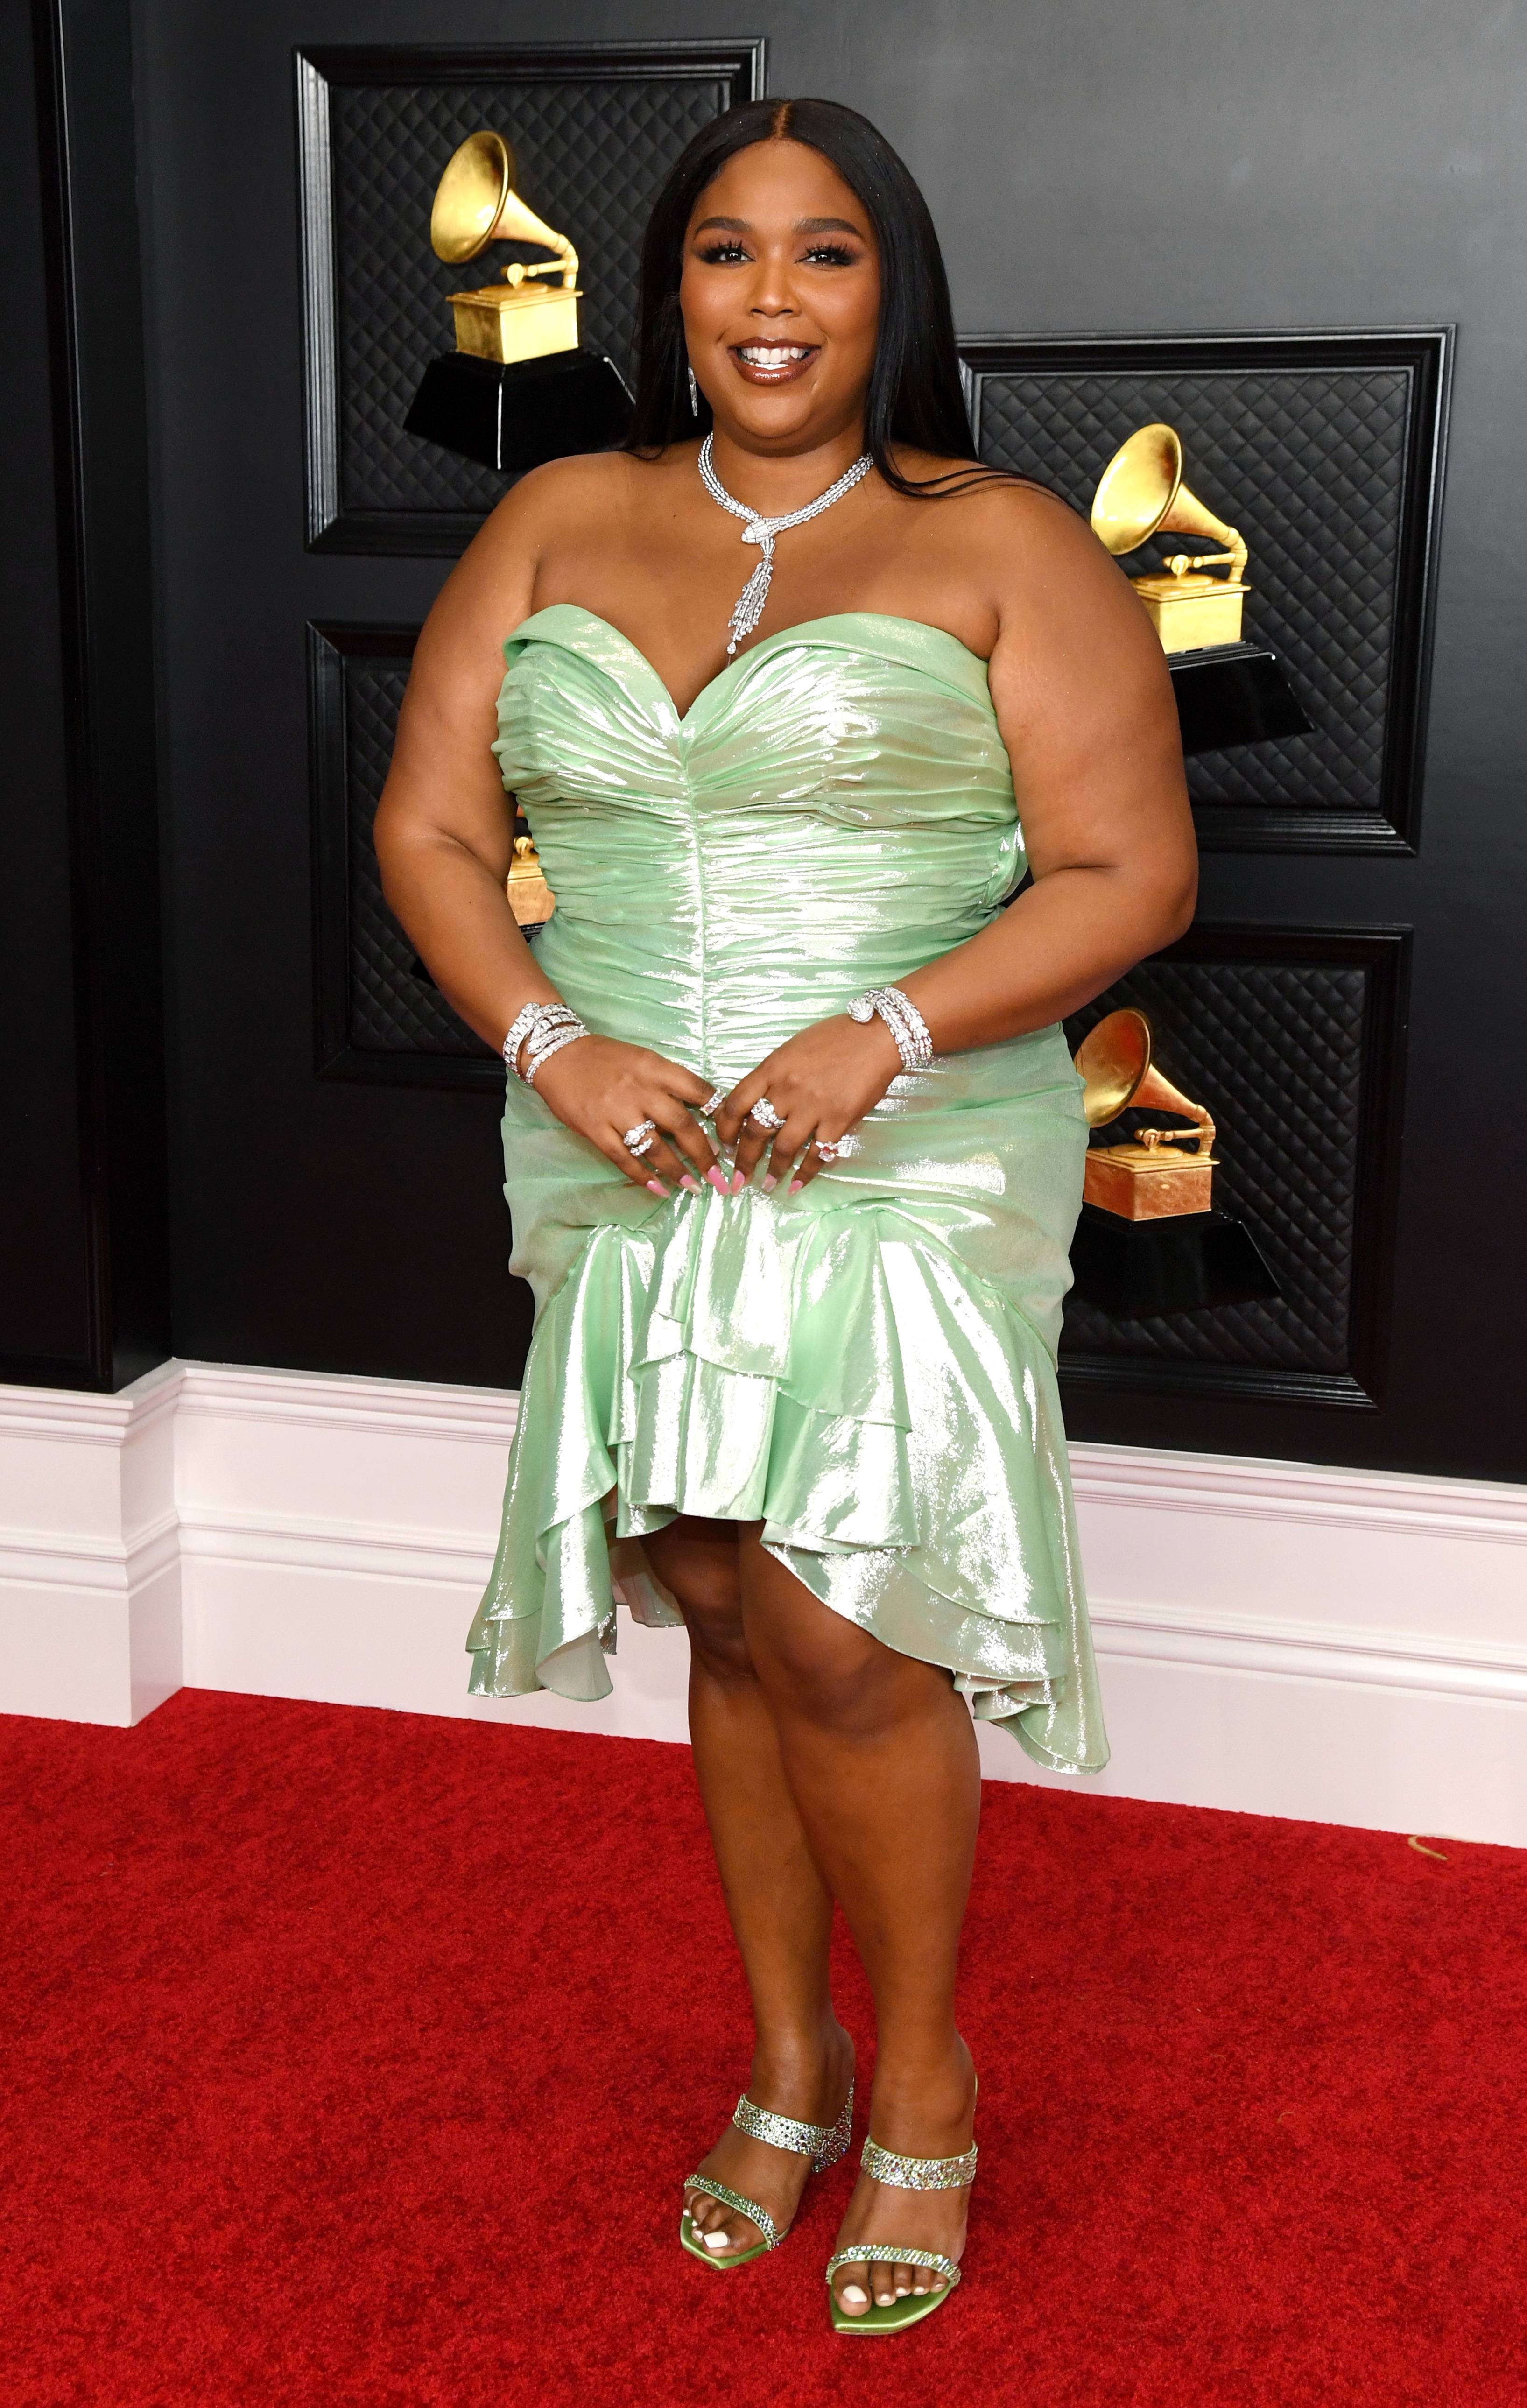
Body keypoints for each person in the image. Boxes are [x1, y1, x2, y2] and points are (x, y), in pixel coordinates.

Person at [374, 95, 1194, 2335]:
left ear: (885, 291)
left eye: (822, 255)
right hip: (619, 1130)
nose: (767, 298)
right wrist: (553, 1044)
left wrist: (885, 1038)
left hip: (901, 1136)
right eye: (725, 253)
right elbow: (433, 833)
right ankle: (785, 2059)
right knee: (716, 1596)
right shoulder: (556, 512)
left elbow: (1135, 875)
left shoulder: (1002, 541)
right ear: (669, 293)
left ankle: (920, 2084)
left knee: (842, 1614)